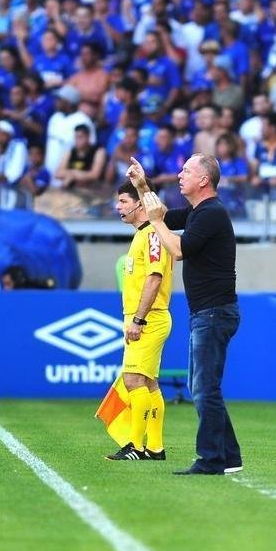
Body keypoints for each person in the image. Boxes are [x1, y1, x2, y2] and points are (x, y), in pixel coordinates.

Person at [127, 153, 243, 476]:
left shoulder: (211, 213)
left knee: (204, 388)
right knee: (203, 386)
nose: (179, 175)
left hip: (213, 313)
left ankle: (211, 459)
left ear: (204, 180)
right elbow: (161, 213)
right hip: (208, 312)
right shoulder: (199, 212)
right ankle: (229, 456)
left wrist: (157, 223)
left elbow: (177, 249)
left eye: (187, 171)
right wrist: (142, 186)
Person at [103, 179, 173, 462]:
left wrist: (139, 320)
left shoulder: (153, 234)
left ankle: (135, 445)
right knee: (149, 383)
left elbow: (154, 277)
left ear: (139, 204)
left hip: (148, 319)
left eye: (123, 201)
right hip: (147, 318)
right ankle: (155, 447)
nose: (118, 207)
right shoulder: (143, 234)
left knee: (132, 379)